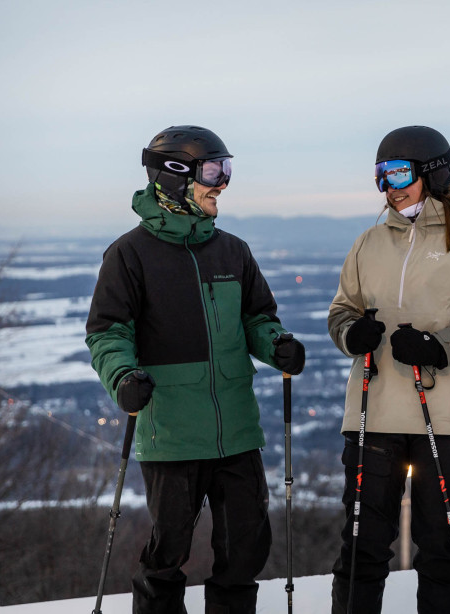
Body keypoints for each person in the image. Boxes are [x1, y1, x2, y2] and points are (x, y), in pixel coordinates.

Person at [85, 125, 306, 614]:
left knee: (244, 552)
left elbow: (257, 318)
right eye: (212, 170)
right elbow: (107, 332)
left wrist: (277, 345)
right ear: (174, 176)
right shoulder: (130, 255)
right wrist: (123, 377)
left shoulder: (232, 251)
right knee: (167, 556)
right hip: (173, 434)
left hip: (237, 430)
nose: (222, 182)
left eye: (226, 169)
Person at [327, 125, 450, 614]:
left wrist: (438, 346)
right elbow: (341, 309)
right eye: (381, 176)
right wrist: (352, 333)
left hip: (447, 414)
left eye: (400, 172)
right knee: (362, 545)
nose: (390, 186)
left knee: (441, 543)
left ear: (433, 172)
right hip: (375, 410)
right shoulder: (369, 242)